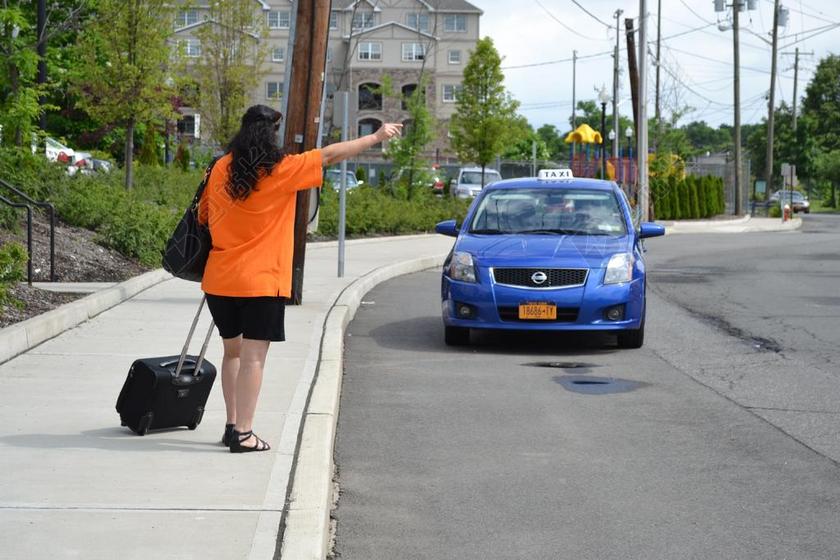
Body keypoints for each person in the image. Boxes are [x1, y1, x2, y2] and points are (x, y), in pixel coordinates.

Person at [199, 104, 401, 453]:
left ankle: (232, 426)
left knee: (232, 353)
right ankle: (246, 434)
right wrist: (376, 136)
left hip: (220, 279)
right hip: (261, 281)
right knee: (254, 358)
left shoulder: (218, 168)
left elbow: (203, 216)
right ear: (272, 135)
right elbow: (331, 154)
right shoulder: (282, 169)